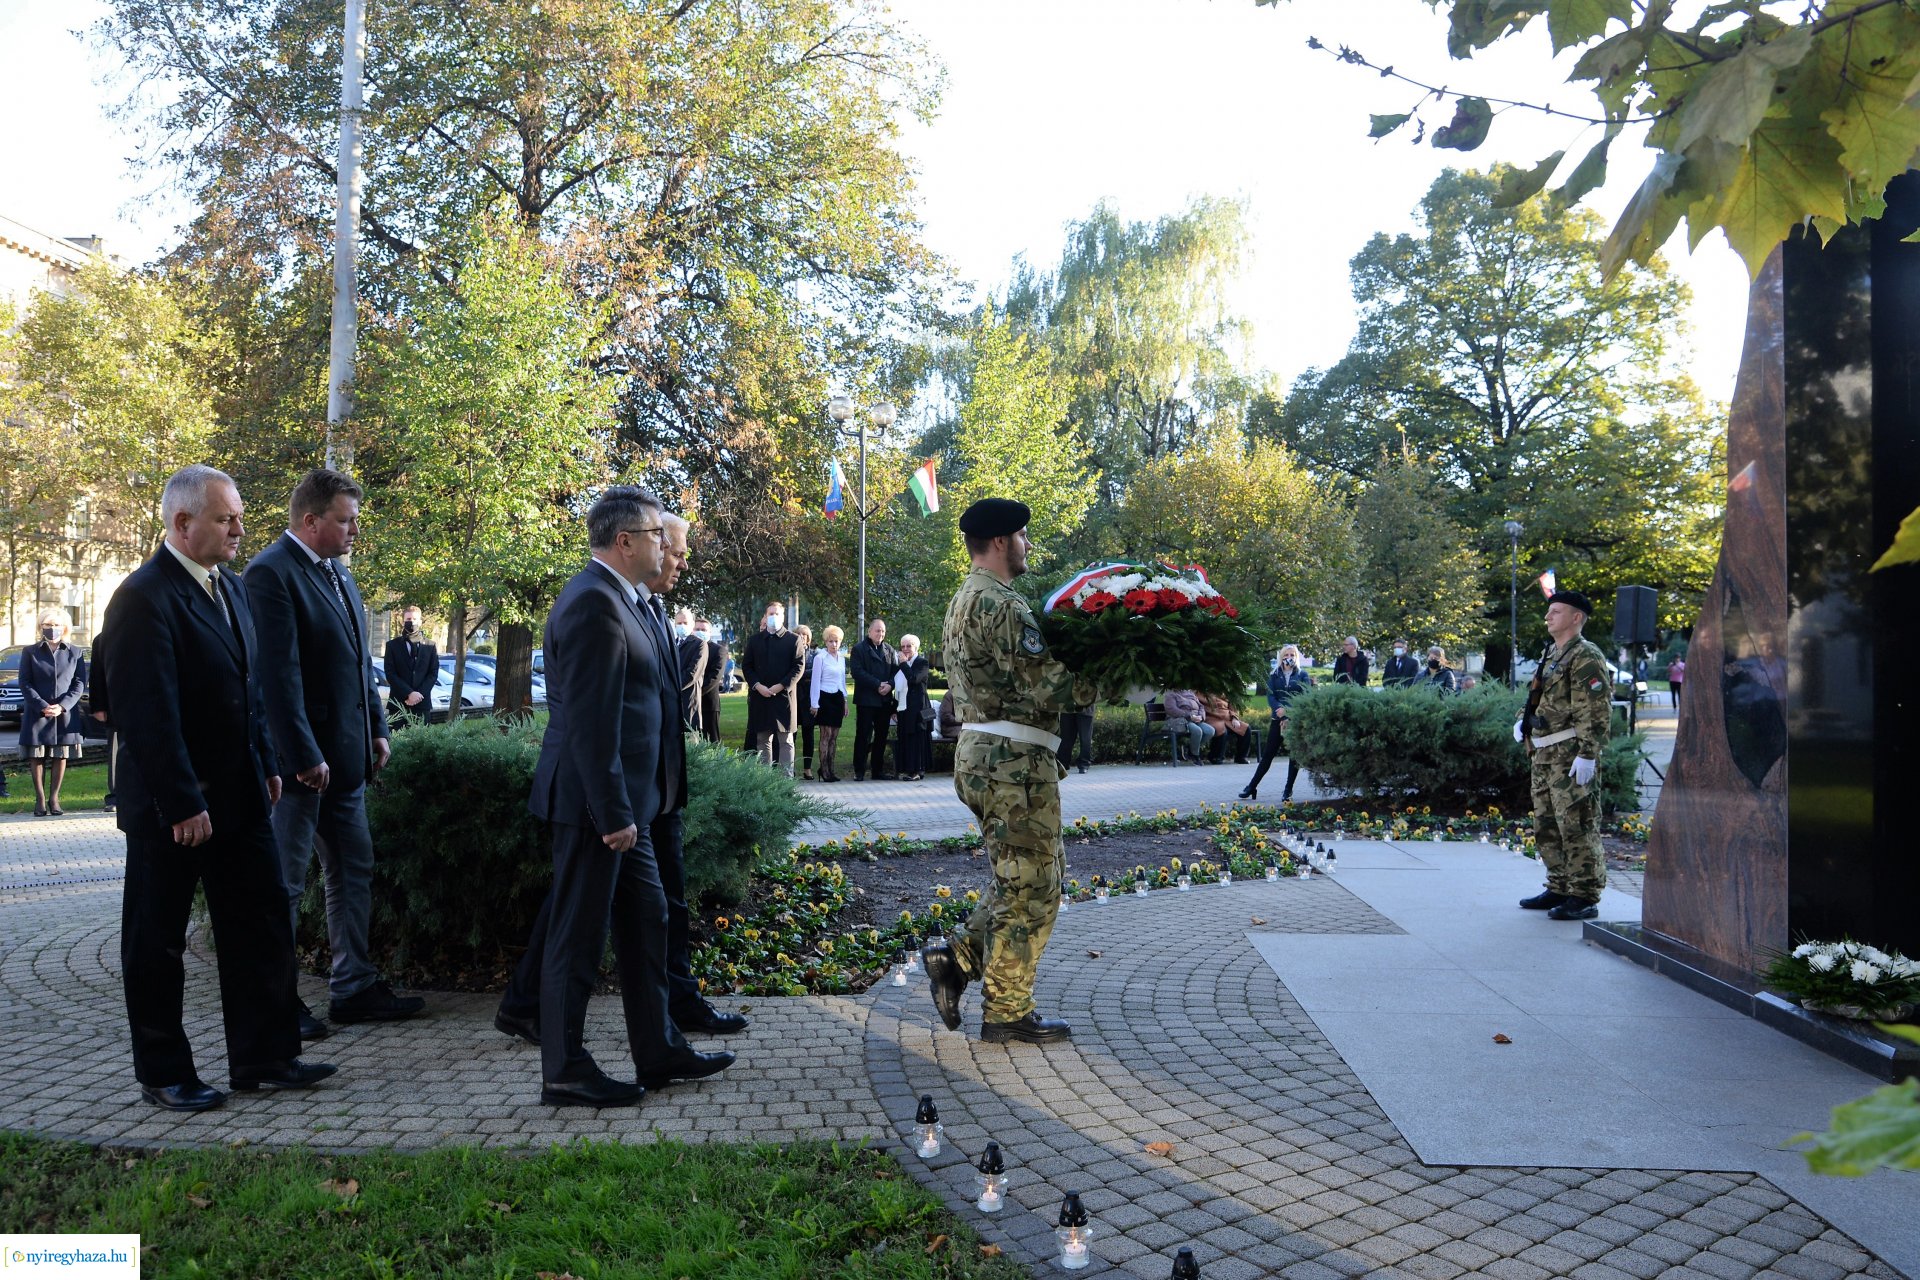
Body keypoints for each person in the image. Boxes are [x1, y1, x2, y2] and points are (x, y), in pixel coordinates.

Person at [104, 464, 334, 1112]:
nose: (239, 528)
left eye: (237, 516)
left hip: (240, 797)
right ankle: (164, 1071)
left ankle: (266, 1055)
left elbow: (248, 692)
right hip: (172, 810)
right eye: (226, 517)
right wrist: (182, 800)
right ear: (183, 523)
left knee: (261, 923)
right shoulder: (142, 598)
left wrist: (265, 762)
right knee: (156, 943)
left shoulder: (230, 590)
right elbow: (147, 713)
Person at [502, 486, 734, 1107]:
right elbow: (590, 720)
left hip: (627, 806)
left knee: (650, 918)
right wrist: (612, 812)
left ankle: (657, 1051)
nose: (667, 545)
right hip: (594, 808)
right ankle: (565, 1071)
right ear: (626, 542)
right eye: (658, 535)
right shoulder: (592, 604)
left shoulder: (625, 600)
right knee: (576, 940)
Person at [246, 468, 423, 1042]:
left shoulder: (340, 577)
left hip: (346, 764)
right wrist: (301, 753)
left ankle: (354, 989)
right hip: (302, 772)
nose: (353, 531)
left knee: (353, 871)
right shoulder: (270, 575)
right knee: (284, 884)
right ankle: (274, 1000)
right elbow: (277, 677)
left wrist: (377, 727)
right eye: (345, 520)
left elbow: (357, 665)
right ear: (311, 520)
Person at [923, 498, 1097, 1045]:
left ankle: (956, 960)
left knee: (1021, 878)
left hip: (986, 756)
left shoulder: (964, 600)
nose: (1027, 545)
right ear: (1000, 541)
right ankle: (1007, 1009)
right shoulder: (1001, 604)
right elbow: (1048, 685)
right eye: (1021, 536)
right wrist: (1119, 677)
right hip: (1012, 765)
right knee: (1034, 889)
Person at [1516, 589, 1613, 922]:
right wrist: (1522, 721)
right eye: (1548, 611)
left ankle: (1584, 895)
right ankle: (1559, 884)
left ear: (1576, 618)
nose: (1548, 616)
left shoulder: (1586, 655)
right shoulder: (1553, 653)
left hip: (1569, 755)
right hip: (1544, 754)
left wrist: (1588, 754)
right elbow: (1539, 697)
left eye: (1556, 611)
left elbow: (1595, 709)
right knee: (1546, 825)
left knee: (1576, 824)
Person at [19, 611, 87, 816]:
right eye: (48, 624)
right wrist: (41, 705)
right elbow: (25, 682)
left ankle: (54, 799)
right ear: (41, 627)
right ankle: (39, 800)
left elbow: (79, 683)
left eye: (57, 624)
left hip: (64, 714)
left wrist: (63, 706)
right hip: (37, 712)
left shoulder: (75, 652)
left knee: (60, 755)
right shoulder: (30, 652)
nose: (52, 627)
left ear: (65, 627)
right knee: (36, 755)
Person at [1237, 645, 1314, 803]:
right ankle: (1251, 786)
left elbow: (1305, 696)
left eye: (1292, 654)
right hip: (1277, 721)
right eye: (1287, 654)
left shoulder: (1302, 675)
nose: (1289, 657)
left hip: (1295, 721)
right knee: (1268, 756)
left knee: (1294, 757)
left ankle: (1288, 790)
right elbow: (1271, 696)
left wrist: (1288, 711)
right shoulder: (1274, 675)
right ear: (1281, 657)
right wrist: (1279, 710)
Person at [742, 601, 804, 773]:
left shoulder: (794, 640)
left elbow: (798, 667)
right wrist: (757, 685)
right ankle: (765, 781)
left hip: (784, 698)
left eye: (777, 614)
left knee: (786, 741)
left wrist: (781, 686)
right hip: (760, 697)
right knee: (763, 740)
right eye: (771, 613)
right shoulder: (755, 640)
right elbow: (747, 666)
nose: (773, 617)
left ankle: (786, 782)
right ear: (765, 616)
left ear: (783, 617)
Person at [848, 618, 898, 780]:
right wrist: (877, 684)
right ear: (869, 632)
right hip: (866, 700)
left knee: (881, 737)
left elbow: (896, 672)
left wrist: (890, 685)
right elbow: (857, 672)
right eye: (877, 630)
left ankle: (877, 771)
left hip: (884, 701)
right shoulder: (858, 649)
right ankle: (859, 771)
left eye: (883, 631)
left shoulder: (889, 650)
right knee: (863, 736)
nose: (880, 634)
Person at [381, 605, 439, 723]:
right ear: (403, 621)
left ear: (420, 622)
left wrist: (418, 695)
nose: (411, 622)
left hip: (422, 704)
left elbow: (433, 673)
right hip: (398, 704)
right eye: (408, 619)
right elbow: (390, 673)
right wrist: (409, 693)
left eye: (414, 619)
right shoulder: (392, 645)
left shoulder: (430, 645)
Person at [809, 625, 849, 781]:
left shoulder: (841, 658)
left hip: (837, 698)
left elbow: (842, 681)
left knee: (834, 737)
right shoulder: (820, 658)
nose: (834, 644)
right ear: (826, 642)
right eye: (831, 641)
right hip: (824, 698)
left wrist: (845, 700)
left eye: (837, 641)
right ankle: (824, 771)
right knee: (826, 736)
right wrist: (814, 704)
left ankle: (831, 770)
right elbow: (815, 682)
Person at [893, 633, 932, 781]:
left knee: (916, 738)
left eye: (908, 646)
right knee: (905, 738)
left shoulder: (922, 663)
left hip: (917, 708)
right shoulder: (902, 664)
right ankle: (908, 769)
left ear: (916, 647)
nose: (905, 649)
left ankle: (917, 770)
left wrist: (903, 664)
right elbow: (897, 687)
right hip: (903, 707)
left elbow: (914, 679)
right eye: (902, 646)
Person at [674, 607, 707, 731]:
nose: (682, 626)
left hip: (689, 702)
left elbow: (692, 674)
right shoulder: (670, 644)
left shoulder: (699, 644)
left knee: (690, 743)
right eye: (679, 623)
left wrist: (671, 685)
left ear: (692, 624)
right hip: (671, 703)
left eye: (685, 623)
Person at [1160, 688, 1215, 763]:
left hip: (1196, 720)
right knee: (1197, 731)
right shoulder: (1171, 694)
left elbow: (1201, 706)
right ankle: (1195, 755)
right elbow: (1171, 710)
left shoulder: (1190, 693)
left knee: (1210, 731)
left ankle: (1190, 749)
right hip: (1181, 721)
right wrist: (1189, 715)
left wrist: (1201, 716)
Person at [794, 623, 817, 779]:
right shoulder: (790, 652)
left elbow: (816, 671)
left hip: (808, 699)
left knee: (808, 735)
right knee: (791, 735)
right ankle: (790, 767)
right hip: (793, 697)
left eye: (805, 635)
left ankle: (807, 768)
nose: (803, 637)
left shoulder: (815, 655)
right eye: (800, 634)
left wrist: (798, 674)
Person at [698, 618, 727, 742]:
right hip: (688, 704)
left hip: (708, 704)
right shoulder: (686, 647)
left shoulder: (718, 650)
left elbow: (714, 677)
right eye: (697, 629)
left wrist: (695, 693)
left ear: (710, 632)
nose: (700, 632)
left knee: (711, 741)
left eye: (703, 630)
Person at [1203, 693, 1251, 765]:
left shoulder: (1223, 691)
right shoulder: (1200, 691)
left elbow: (1232, 705)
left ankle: (1241, 757)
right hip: (1212, 718)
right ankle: (1216, 757)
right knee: (1221, 729)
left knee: (1246, 729)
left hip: (1228, 719)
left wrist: (1234, 718)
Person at [1056, 706, 1094, 774]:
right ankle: (1063, 763)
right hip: (1067, 707)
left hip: (1086, 707)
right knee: (1065, 738)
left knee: (1085, 739)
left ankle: (1084, 764)